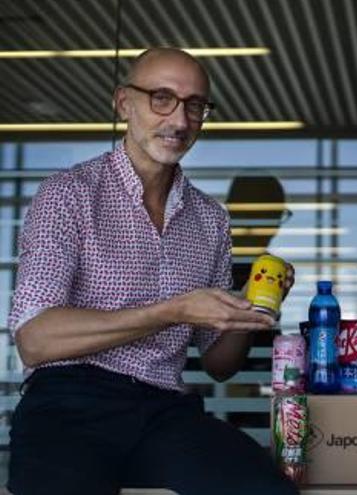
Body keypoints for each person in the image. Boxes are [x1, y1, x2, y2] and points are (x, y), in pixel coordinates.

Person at [7, 47, 298, 495]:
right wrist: (174, 310)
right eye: (161, 98)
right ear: (124, 103)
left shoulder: (210, 219)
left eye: (195, 105)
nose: (180, 121)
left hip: (165, 411)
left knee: (265, 490)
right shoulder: (68, 195)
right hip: (69, 403)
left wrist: (249, 310)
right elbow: (35, 339)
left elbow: (220, 364)